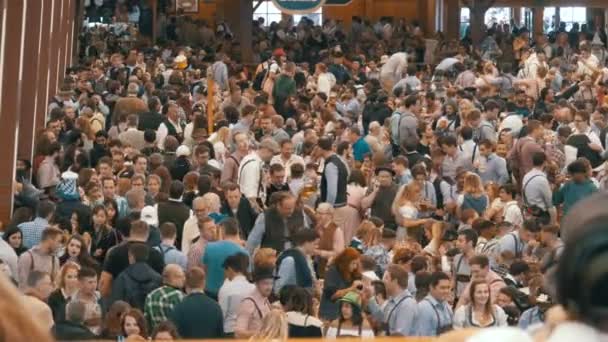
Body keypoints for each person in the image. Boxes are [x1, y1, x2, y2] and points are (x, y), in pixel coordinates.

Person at [99, 220, 165, 298]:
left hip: (121, 302)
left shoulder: (115, 252)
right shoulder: (156, 255)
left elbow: (104, 282)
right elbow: (163, 282)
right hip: (146, 303)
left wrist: (108, 302)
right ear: (148, 234)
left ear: (131, 232)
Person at [170, 267, 224, 338]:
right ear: (204, 283)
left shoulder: (178, 308)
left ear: (185, 284)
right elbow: (220, 335)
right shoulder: (216, 307)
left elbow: (174, 335)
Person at [203, 217, 249, 299]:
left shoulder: (209, 247)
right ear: (237, 231)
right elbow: (247, 278)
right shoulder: (244, 253)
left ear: (222, 230)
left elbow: (205, 271)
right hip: (232, 295)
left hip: (210, 294)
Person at [110, 242, 162, 310]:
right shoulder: (158, 278)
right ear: (147, 256)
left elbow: (116, 303)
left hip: (129, 317)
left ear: (131, 257)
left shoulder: (123, 277)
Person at [373, 264, 418, 336]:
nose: (383, 281)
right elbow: (381, 319)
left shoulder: (407, 305)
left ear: (395, 281)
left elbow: (400, 336)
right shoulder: (392, 300)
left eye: (386, 278)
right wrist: (370, 300)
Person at [319, 247, 362, 321]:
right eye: (353, 263)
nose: (355, 267)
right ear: (346, 262)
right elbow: (333, 296)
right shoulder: (333, 271)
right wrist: (352, 288)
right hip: (329, 314)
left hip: (345, 315)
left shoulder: (354, 274)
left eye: (356, 264)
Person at [218, 253, 255, 337]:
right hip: (247, 332)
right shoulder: (253, 288)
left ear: (230, 269)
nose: (225, 273)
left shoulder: (226, 288)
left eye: (225, 270)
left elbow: (222, 314)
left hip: (229, 331)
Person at [238, 139, 279, 212]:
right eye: (272, 154)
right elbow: (250, 194)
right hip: (251, 208)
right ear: (266, 150)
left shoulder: (253, 161)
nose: (272, 157)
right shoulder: (253, 165)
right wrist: (259, 211)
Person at [275, 229, 319, 294]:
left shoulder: (307, 258)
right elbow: (278, 289)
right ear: (306, 243)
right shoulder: (289, 260)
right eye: (315, 244)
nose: (317, 247)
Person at [234, 267, 274, 338]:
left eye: (271, 283)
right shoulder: (248, 303)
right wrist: (261, 334)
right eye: (265, 283)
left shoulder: (266, 300)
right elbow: (238, 333)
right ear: (256, 283)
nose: (269, 287)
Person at [143, 264, 185, 330]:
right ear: (172, 278)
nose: (184, 279)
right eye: (181, 276)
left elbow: (146, 323)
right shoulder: (179, 296)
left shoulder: (150, 296)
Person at [361, 165, 400, 230]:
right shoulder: (373, 188)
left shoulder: (397, 189)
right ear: (377, 177)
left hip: (392, 225)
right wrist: (375, 192)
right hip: (375, 224)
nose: (384, 179)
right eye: (382, 176)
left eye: (387, 176)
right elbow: (364, 205)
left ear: (391, 177)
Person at [522, 151, 556, 225]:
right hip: (541, 215)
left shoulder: (526, 176)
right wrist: (554, 222)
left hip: (529, 212)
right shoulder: (542, 179)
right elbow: (549, 203)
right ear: (544, 162)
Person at [415, 271, 454, 336]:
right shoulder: (424, 307)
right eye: (442, 288)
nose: (446, 291)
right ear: (431, 287)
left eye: (448, 287)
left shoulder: (446, 305)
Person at [157, 181, 191, 249]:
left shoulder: (157, 207)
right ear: (182, 193)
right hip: (179, 248)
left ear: (169, 191)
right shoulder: (189, 211)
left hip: (160, 247)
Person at [70, 267, 103, 335]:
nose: (94, 285)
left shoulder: (101, 297)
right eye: (90, 282)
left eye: (95, 281)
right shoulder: (71, 302)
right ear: (80, 283)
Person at [318, 136, 349, 208]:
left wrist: (327, 208)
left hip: (335, 207)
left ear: (320, 148)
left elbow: (332, 192)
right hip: (343, 203)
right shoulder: (340, 159)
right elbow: (347, 175)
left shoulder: (330, 165)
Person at [453, 229, 477, 301]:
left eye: (460, 241)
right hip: (457, 299)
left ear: (470, 243)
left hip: (472, 300)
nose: (457, 243)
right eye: (457, 241)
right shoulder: (457, 258)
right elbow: (454, 279)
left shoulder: (479, 261)